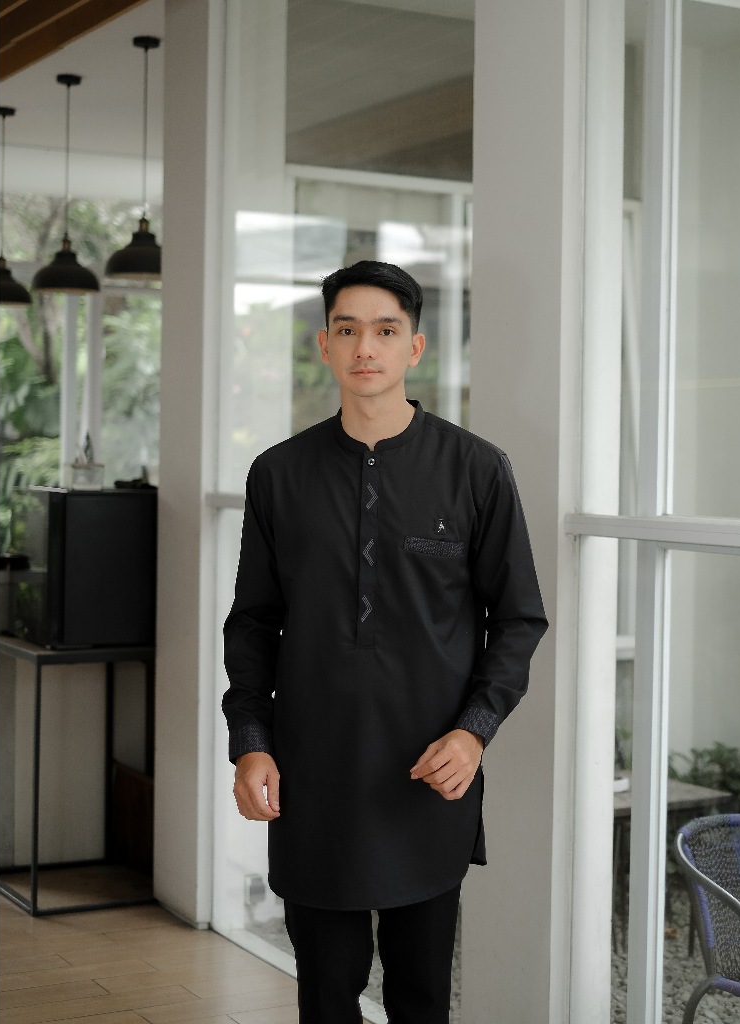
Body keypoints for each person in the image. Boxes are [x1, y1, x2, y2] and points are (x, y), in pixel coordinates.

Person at [221, 260, 547, 1024]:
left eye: (385, 330)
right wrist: (251, 742)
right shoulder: (278, 475)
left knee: (421, 999)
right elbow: (253, 621)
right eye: (347, 330)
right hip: (311, 781)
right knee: (326, 998)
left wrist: (474, 733)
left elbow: (519, 619)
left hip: (427, 778)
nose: (365, 346)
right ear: (325, 346)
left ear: (415, 347)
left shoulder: (477, 470)